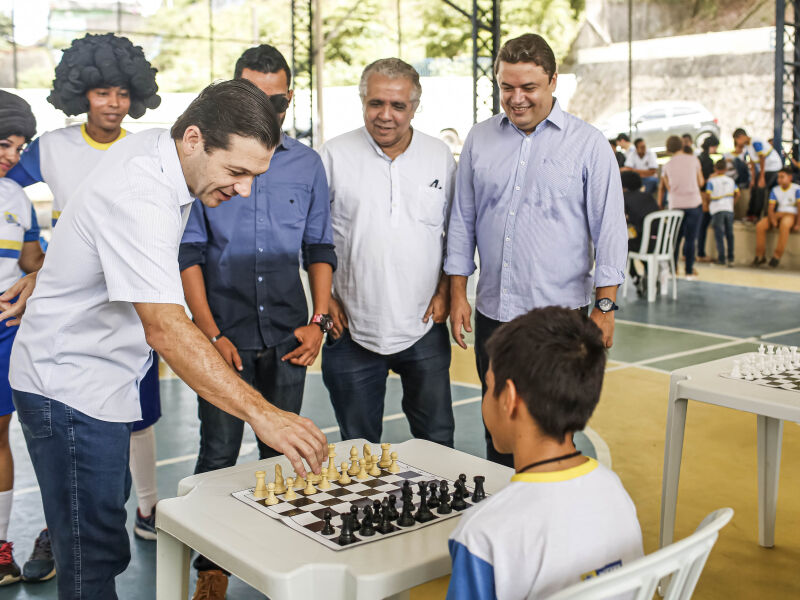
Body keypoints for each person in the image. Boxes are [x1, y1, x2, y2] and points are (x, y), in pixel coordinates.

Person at [1, 80, 327, 600]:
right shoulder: (142, 191)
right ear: (194, 138)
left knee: (104, 536)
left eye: (255, 176)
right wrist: (264, 414)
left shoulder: (158, 149)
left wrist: (52, 273)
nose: (244, 189)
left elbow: (87, 221)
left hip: (102, 384)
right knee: (91, 560)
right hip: (68, 387)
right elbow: (167, 328)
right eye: (237, 172)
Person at [179, 45, 336, 599]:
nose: (266, 108)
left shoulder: (307, 164)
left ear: (289, 97)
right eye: (253, 96)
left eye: (277, 99)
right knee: (218, 455)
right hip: (226, 340)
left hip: (290, 334)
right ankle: (210, 571)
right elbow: (190, 253)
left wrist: (318, 319)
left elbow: (319, 245)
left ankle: (279, 560)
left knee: (284, 452)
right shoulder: (203, 163)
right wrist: (210, 334)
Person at [7, 33, 164, 546]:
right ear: (81, 95)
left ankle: (147, 509)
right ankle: (63, 529)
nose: (113, 104)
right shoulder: (51, 147)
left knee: (137, 417)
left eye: (122, 93)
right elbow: (10, 192)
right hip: (69, 314)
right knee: (74, 424)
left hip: (132, 308)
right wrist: (38, 267)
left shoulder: (146, 150)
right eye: (101, 93)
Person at [446, 33, 627, 467]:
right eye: (507, 87)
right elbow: (462, 221)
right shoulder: (479, 139)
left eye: (528, 87)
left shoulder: (588, 144)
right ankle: (505, 517)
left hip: (560, 320)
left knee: (553, 428)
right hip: (493, 315)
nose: (516, 98)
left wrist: (605, 307)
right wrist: (457, 294)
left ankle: (556, 517)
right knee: (499, 429)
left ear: (553, 82)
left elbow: (610, 230)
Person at [446, 306, 643, 600]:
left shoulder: (484, 535)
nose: (486, 397)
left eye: (488, 387)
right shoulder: (616, 493)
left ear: (509, 399)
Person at [320, 58, 456, 447]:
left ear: (415, 107)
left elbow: (455, 234)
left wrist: (447, 289)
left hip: (423, 325)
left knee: (437, 440)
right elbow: (311, 237)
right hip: (350, 328)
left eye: (398, 106)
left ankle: (441, 512)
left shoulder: (439, 156)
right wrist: (324, 297)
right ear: (362, 100)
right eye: (375, 103)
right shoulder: (332, 155)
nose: (385, 116)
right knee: (356, 447)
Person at [0, 91, 46, 587]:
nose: (11, 156)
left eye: (19, 147)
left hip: (5, 331)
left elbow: (33, 260)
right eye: (3, 144)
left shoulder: (16, 197)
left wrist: (47, 270)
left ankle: (0, 547)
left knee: (0, 437)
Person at [658, 135, 704, 280]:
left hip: (676, 205)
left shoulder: (667, 165)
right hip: (693, 203)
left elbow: (667, 187)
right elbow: (701, 182)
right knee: (690, 239)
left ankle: (673, 270)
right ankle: (689, 272)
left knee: (675, 240)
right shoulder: (694, 160)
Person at [753, 167, 800, 268]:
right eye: (778, 177)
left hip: (791, 214)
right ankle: (760, 256)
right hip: (779, 213)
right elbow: (771, 207)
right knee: (760, 225)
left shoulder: (797, 189)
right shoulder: (775, 189)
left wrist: (798, 223)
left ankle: (777, 256)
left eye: (782, 177)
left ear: (790, 177)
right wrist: (773, 219)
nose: (779, 179)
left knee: (785, 225)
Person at [733, 128, 783, 222]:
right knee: (754, 189)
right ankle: (750, 214)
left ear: (741, 137)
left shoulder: (755, 142)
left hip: (772, 167)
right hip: (763, 169)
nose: (738, 143)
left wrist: (762, 177)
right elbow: (752, 161)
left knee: (760, 189)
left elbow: (762, 158)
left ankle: (757, 216)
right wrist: (753, 178)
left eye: (737, 141)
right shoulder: (747, 145)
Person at [621, 170, 659, 292]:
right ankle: (649, 275)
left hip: (641, 243)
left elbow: (620, 219)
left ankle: (635, 277)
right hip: (658, 243)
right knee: (639, 240)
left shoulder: (624, 198)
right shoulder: (649, 196)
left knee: (622, 248)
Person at [704, 159, 739, 267]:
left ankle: (722, 258)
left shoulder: (711, 181)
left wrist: (709, 204)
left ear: (715, 168)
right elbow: (738, 194)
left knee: (719, 234)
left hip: (717, 209)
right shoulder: (731, 180)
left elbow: (708, 195)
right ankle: (731, 258)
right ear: (726, 169)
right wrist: (732, 204)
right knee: (730, 234)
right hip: (729, 209)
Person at [696, 135, 720, 263]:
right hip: (704, 195)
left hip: (696, 195)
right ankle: (700, 252)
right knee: (702, 226)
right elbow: (703, 181)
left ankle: (696, 252)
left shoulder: (698, 158)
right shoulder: (707, 161)